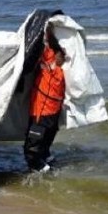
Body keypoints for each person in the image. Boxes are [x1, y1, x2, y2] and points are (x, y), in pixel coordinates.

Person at [24, 45, 67, 173]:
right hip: (52, 114)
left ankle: (41, 171)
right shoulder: (62, 72)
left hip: (42, 114)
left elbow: (44, 43)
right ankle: (45, 162)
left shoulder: (51, 68)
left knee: (31, 151)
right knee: (44, 145)